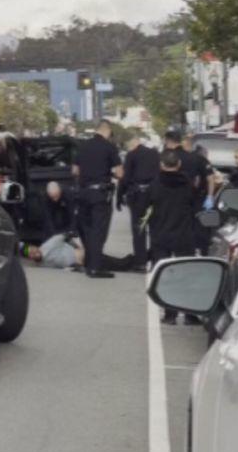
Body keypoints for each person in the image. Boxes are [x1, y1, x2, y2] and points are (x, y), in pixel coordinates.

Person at [145, 149, 197, 324]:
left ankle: (170, 314)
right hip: (184, 233)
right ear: (179, 164)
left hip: (161, 234)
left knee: (165, 274)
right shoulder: (188, 184)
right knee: (186, 273)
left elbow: (145, 206)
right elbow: (194, 205)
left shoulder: (155, 184)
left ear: (161, 165)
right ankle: (190, 314)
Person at [72, 119, 123, 278]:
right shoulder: (109, 147)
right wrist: (109, 173)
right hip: (100, 195)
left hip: (83, 193)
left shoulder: (83, 145)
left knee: (87, 229)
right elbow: (120, 173)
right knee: (98, 231)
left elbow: (75, 171)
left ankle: (89, 263)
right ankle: (95, 268)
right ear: (108, 131)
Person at [118, 135, 159, 271]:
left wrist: (119, 196)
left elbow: (125, 177)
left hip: (137, 196)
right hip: (153, 195)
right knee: (154, 228)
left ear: (132, 145)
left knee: (139, 229)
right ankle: (156, 259)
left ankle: (140, 262)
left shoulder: (131, 155)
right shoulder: (155, 154)